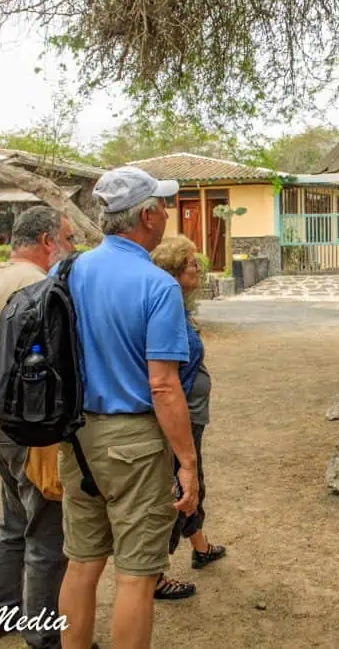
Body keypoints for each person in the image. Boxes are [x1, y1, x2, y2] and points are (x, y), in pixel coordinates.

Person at [57, 166, 200, 649]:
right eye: (161, 205)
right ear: (147, 215)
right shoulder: (157, 286)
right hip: (134, 443)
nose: (165, 213)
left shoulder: (70, 271)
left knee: (81, 563)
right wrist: (187, 461)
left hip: (77, 438)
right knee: (137, 575)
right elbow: (163, 387)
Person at [0, 206, 77, 648]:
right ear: (48, 241)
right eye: (69, 239)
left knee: (14, 522)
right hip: (27, 426)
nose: (72, 248)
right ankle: (42, 634)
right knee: (45, 532)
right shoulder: (36, 286)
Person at [151, 237, 227, 600]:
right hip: (179, 415)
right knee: (179, 489)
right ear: (176, 272)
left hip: (192, 412)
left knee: (194, 482)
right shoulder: (166, 309)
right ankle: (154, 574)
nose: (198, 267)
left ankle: (200, 545)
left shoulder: (179, 307)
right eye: (192, 263)